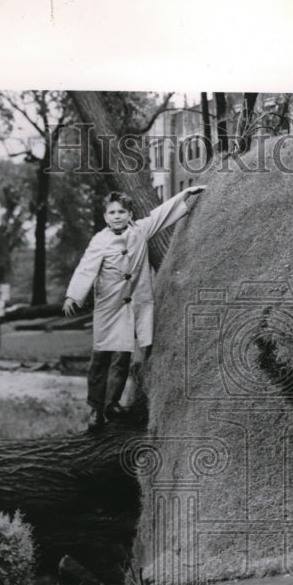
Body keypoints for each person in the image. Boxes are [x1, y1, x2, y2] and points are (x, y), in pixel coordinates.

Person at [63, 185, 206, 433]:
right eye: (112, 212)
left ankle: (112, 404)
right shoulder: (100, 241)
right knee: (100, 359)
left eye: (121, 212)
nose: (117, 216)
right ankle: (95, 408)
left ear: (130, 215)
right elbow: (86, 268)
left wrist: (187, 194)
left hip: (133, 307)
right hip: (109, 307)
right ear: (105, 216)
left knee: (122, 358)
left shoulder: (140, 231)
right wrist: (73, 296)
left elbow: (161, 214)